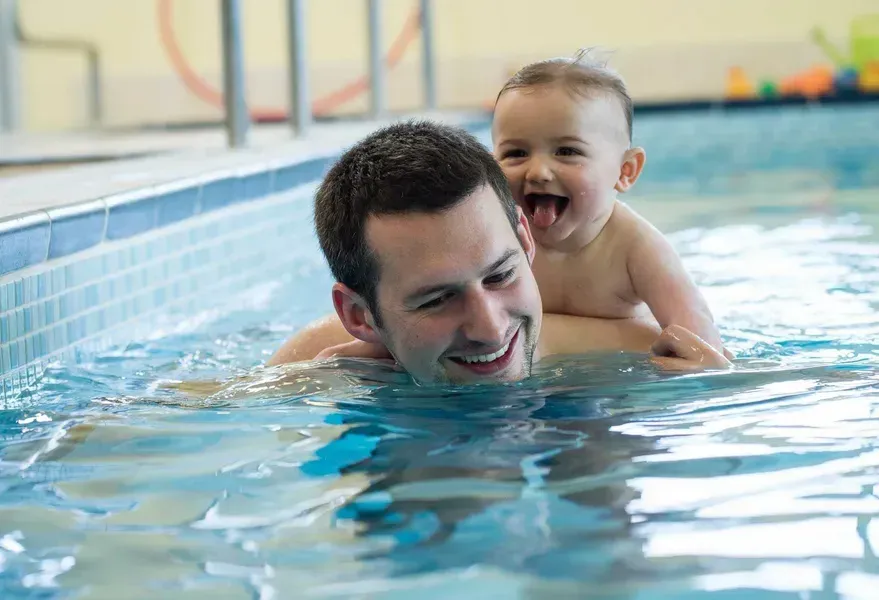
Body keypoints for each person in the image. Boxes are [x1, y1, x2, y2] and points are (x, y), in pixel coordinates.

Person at [267, 119, 730, 383]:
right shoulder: (317, 365)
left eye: (500, 276)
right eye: (436, 299)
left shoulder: (633, 351)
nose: (491, 329)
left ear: (526, 242)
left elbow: (726, 374)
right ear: (360, 317)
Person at [491, 51, 728, 355]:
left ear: (625, 171)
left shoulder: (636, 248)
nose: (537, 172)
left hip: (622, 394)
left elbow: (702, 344)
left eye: (566, 151)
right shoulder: (498, 238)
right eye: (516, 153)